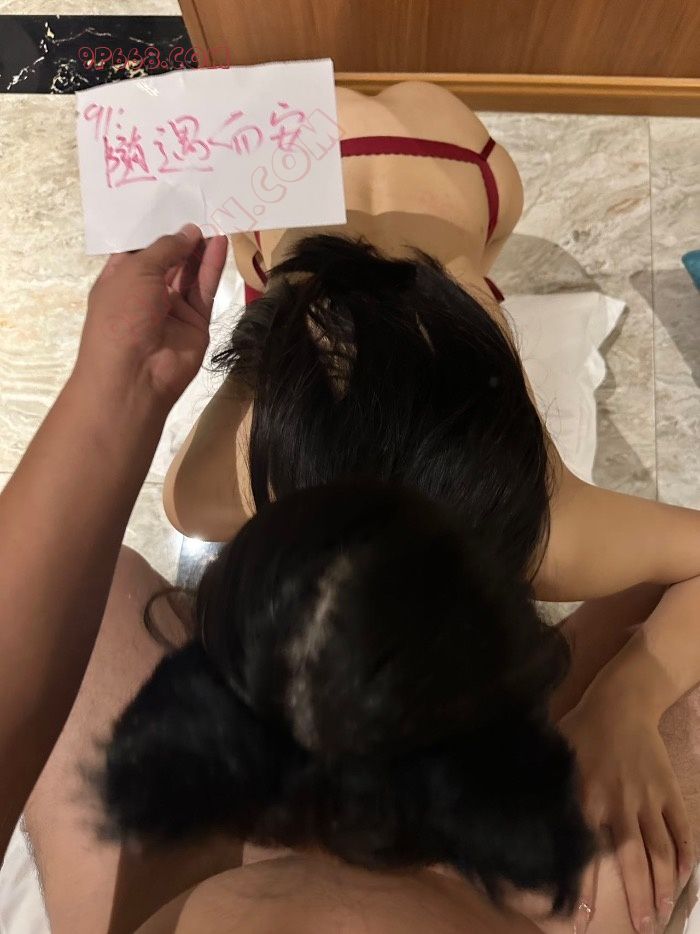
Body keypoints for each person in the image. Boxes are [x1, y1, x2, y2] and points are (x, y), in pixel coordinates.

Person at [160, 81, 700, 934]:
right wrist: (270, 340)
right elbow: (187, 505)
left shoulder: (555, 532)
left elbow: (184, 509)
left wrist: (630, 695)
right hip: (428, 161)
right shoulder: (234, 486)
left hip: (426, 173)